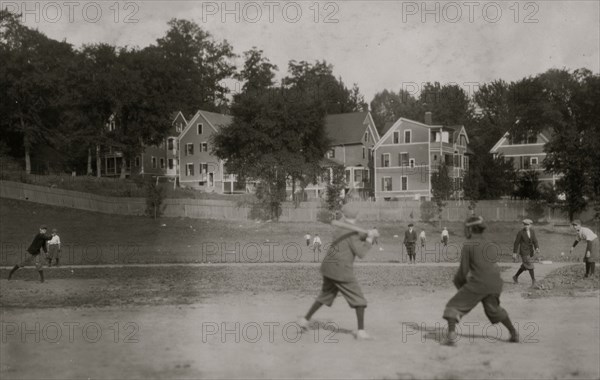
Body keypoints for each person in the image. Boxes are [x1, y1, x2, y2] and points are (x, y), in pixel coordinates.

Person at [297, 203, 378, 340]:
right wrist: (370, 239)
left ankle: (305, 320)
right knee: (359, 300)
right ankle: (361, 331)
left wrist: (367, 234)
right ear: (357, 215)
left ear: (344, 215)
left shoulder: (340, 228)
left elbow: (354, 236)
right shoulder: (353, 232)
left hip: (328, 267)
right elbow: (361, 252)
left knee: (325, 296)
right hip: (341, 270)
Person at [441, 216, 519, 346]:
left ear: (471, 229)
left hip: (479, 283)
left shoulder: (469, 245)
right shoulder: (489, 243)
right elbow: (488, 267)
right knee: (494, 309)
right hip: (496, 283)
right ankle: (513, 332)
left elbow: (462, 273)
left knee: (453, 306)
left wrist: (461, 287)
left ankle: (451, 336)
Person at [512, 219, 539, 287]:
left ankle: (515, 276)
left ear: (530, 225)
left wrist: (537, 248)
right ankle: (534, 281)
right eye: (525, 224)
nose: (526, 226)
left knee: (525, 266)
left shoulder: (532, 232)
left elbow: (535, 241)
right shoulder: (521, 232)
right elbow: (516, 243)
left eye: (528, 225)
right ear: (523, 225)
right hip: (524, 252)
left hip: (530, 251)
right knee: (530, 265)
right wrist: (514, 252)